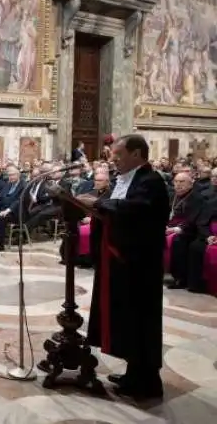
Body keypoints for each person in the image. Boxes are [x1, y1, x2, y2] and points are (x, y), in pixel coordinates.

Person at [78, 134, 168, 399]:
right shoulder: (124, 180)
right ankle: (133, 373)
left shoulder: (151, 181)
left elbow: (135, 209)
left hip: (140, 264)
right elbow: (114, 209)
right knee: (127, 320)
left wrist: (96, 202)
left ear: (137, 154)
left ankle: (148, 382)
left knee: (141, 320)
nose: (113, 159)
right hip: (120, 261)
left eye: (118, 154)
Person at [167, 170, 209, 293]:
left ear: (191, 184)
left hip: (190, 230)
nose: (178, 185)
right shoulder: (172, 195)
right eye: (176, 182)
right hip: (171, 226)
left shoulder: (196, 198)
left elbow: (193, 218)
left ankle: (180, 278)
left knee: (179, 241)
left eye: (182, 182)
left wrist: (177, 229)